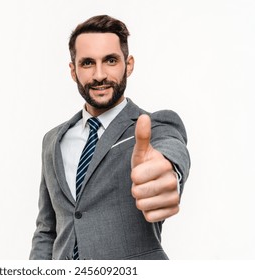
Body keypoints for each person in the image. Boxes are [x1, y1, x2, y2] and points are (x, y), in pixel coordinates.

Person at [29, 15, 190, 260]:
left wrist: (169, 174)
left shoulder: (153, 126)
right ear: (73, 71)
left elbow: (171, 149)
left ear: (129, 64)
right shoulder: (52, 140)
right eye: (87, 63)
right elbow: (46, 230)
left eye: (111, 60)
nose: (99, 75)